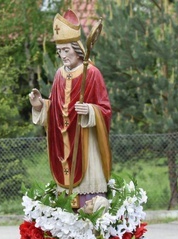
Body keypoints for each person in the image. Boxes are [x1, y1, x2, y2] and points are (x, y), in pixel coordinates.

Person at [29, 9, 112, 207]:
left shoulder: (91, 73)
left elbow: (105, 109)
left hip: (85, 141)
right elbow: (57, 110)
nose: (63, 55)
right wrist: (40, 104)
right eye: (59, 52)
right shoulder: (59, 75)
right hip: (64, 145)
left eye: (66, 50)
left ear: (77, 48)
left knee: (89, 197)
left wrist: (91, 111)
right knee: (66, 201)